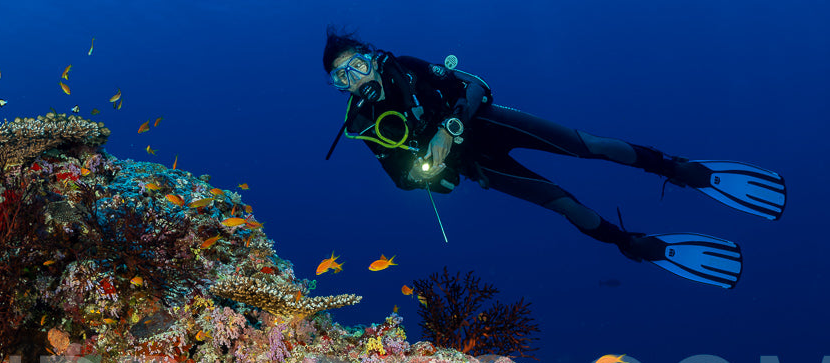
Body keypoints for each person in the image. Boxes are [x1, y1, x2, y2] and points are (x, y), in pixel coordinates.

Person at [322, 30, 786, 289]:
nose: (355, 78)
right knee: (563, 204)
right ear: (339, 87)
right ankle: (634, 244)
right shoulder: (361, 123)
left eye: (357, 64)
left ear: (372, 57)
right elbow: (401, 180)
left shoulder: (407, 66)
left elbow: (477, 85)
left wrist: (450, 127)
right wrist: (432, 169)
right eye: (342, 77)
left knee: (591, 145)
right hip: (477, 167)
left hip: (490, 123)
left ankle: (680, 170)